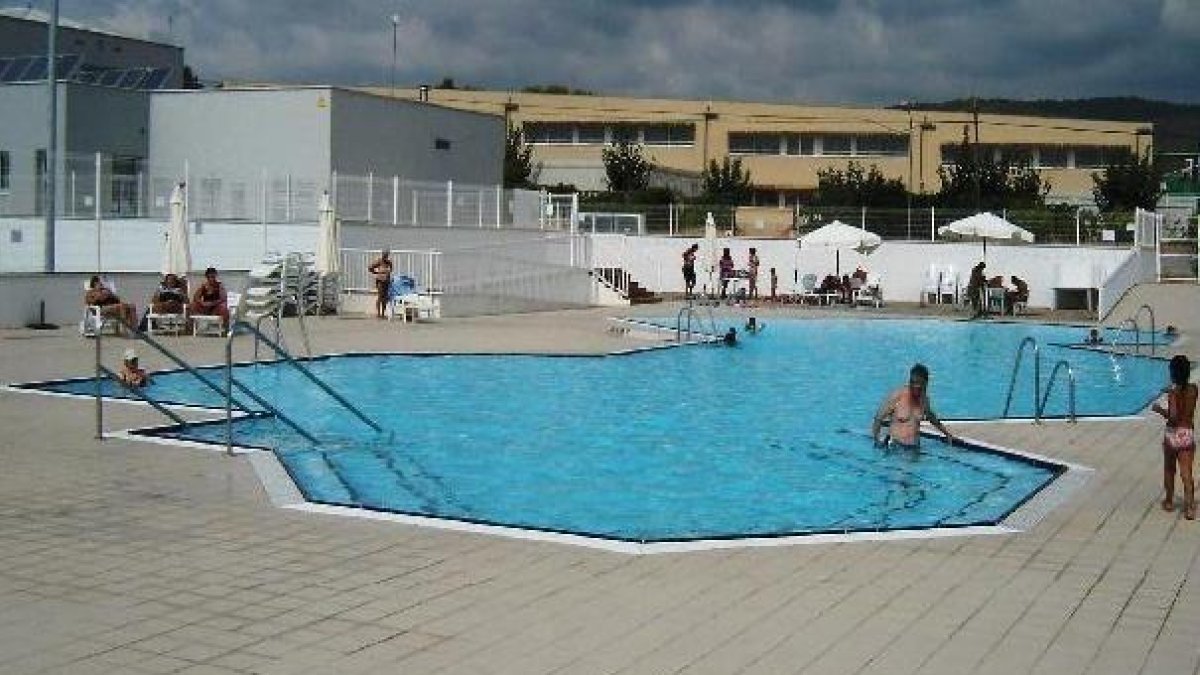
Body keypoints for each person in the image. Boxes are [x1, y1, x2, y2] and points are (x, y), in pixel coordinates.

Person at [871, 363, 956, 449]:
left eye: (919, 384)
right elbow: (878, 418)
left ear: (925, 384)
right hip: (895, 448)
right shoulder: (897, 396)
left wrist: (947, 434)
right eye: (913, 382)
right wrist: (876, 440)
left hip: (915, 449)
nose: (915, 386)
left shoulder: (924, 400)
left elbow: (931, 417)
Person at [1151, 355, 1196, 519]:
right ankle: (1190, 507)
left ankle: (1169, 501)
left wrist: (1159, 410)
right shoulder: (1194, 389)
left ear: (1173, 373)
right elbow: (1187, 414)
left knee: (1170, 469)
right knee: (1186, 472)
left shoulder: (1173, 393)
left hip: (1173, 434)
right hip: (1187, 434)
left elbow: (1174, 417)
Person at [368, 250, 394, 319]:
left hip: (386, 281)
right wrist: (376, 272)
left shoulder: (389, 262)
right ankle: (379, 313)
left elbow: (391, 269)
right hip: (380, 281)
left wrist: (387, 273)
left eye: (387, 255)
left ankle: (383, 313)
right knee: (380, 296)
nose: (385, 256)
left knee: (385, 297)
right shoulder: (379, 261)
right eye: (385, 255)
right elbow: (370, 267)